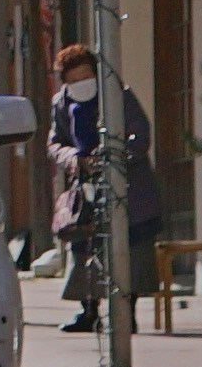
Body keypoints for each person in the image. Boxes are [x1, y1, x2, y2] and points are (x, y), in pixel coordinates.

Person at [45, 39, 160, 333]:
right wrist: (75, 159)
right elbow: (56, 142)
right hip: (85, 186)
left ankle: (126, 313)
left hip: (128, 182)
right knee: (85, 246)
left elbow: (140, 135)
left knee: (131, 246)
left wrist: (114, 156)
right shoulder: (61, 103)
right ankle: (88, 311)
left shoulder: (118, 95)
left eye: (85, 76)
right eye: (74, 79)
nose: (81, 83)